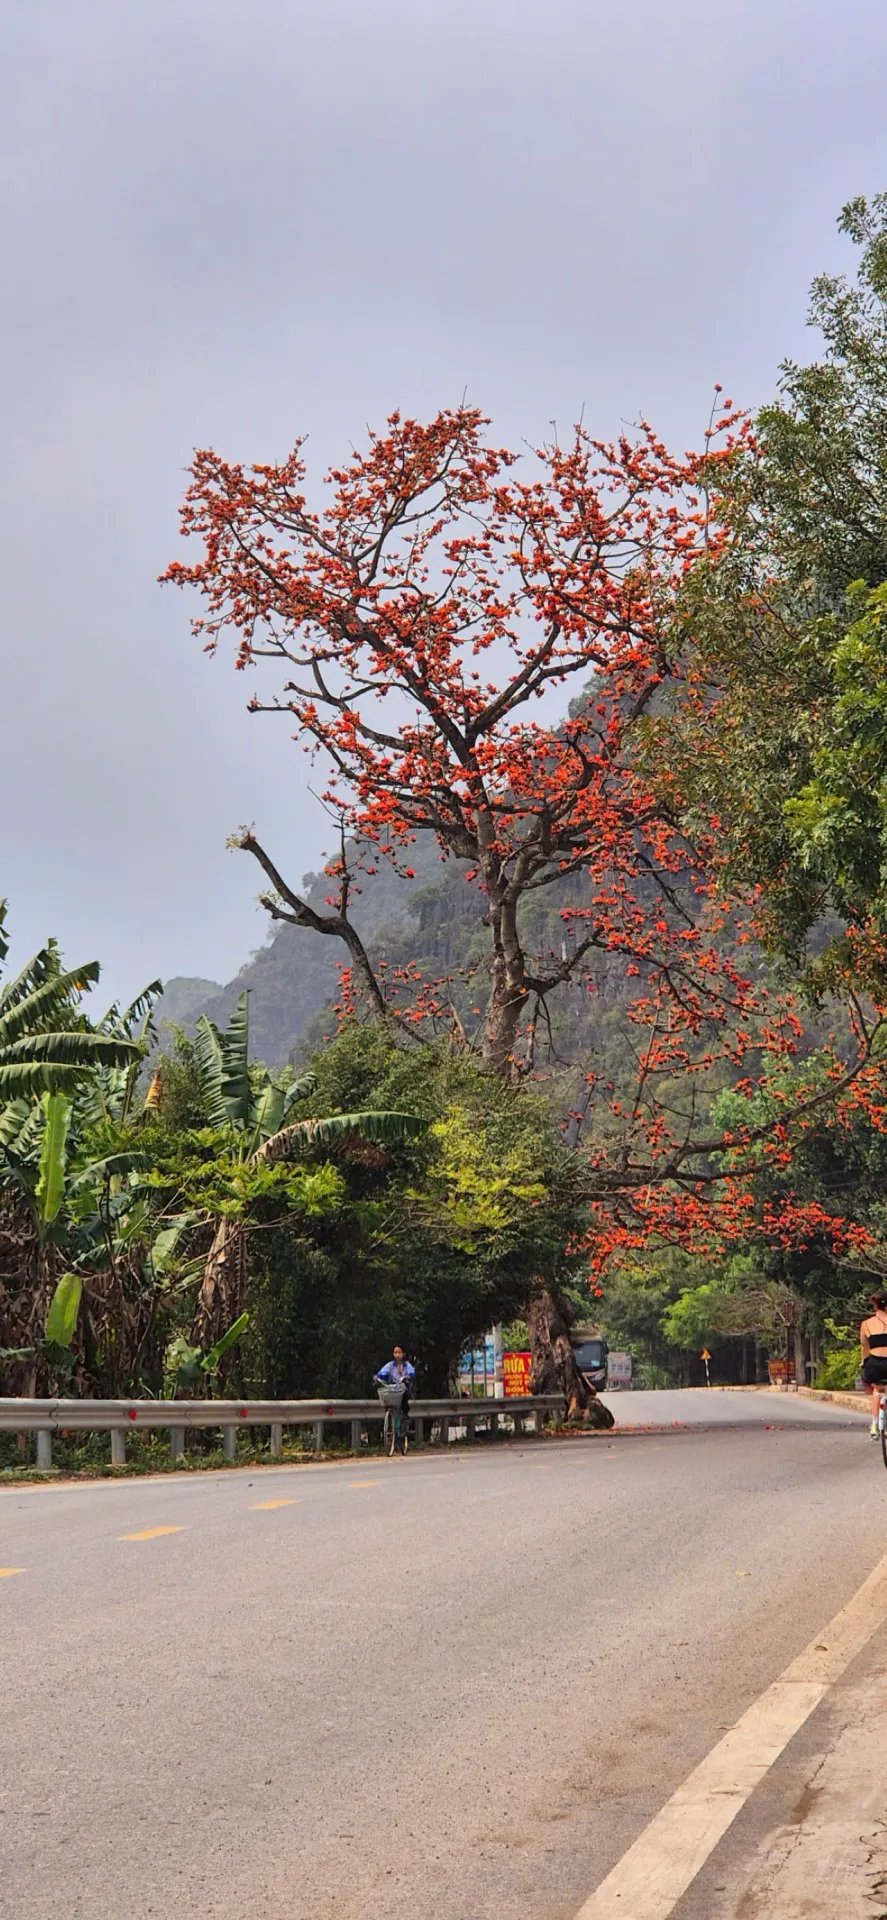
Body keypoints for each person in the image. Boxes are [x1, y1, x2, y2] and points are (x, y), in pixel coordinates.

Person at [860, 1293, 887, 1436]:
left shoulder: (866, 1324)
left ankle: (875, 1424)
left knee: (876, 1387)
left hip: (874, 1366)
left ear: (875, 1305)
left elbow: (864, 1348)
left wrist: (863, 1362)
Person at [374, 1345, 416, 1423]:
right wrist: (377, 1377)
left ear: (403, 1354)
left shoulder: (407, 1365)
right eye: (395, 1352)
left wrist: (407, 1377)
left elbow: (412, 1373)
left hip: (403, 1388)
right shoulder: (390, 1365)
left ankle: (405, 1415)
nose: (397, 1354)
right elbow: (382, 1372)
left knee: (405, 1396)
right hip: (393, 1388)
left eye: (399, 1352)